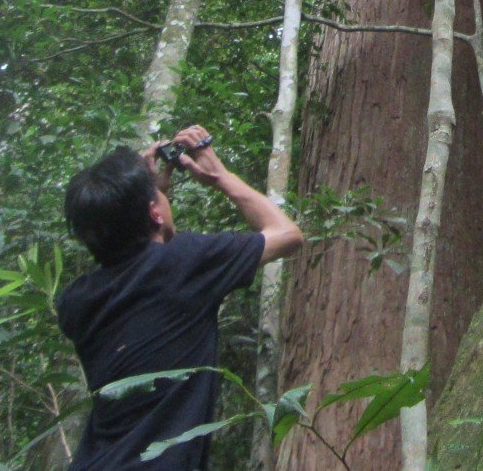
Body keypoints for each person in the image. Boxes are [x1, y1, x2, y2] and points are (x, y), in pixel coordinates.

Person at [57, 124, 304, 470]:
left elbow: (143, 268)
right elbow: (287, 234)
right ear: (154, 211)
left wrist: (147, 196)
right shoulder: (187, 263)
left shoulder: (75, 301)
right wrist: (219, 175)